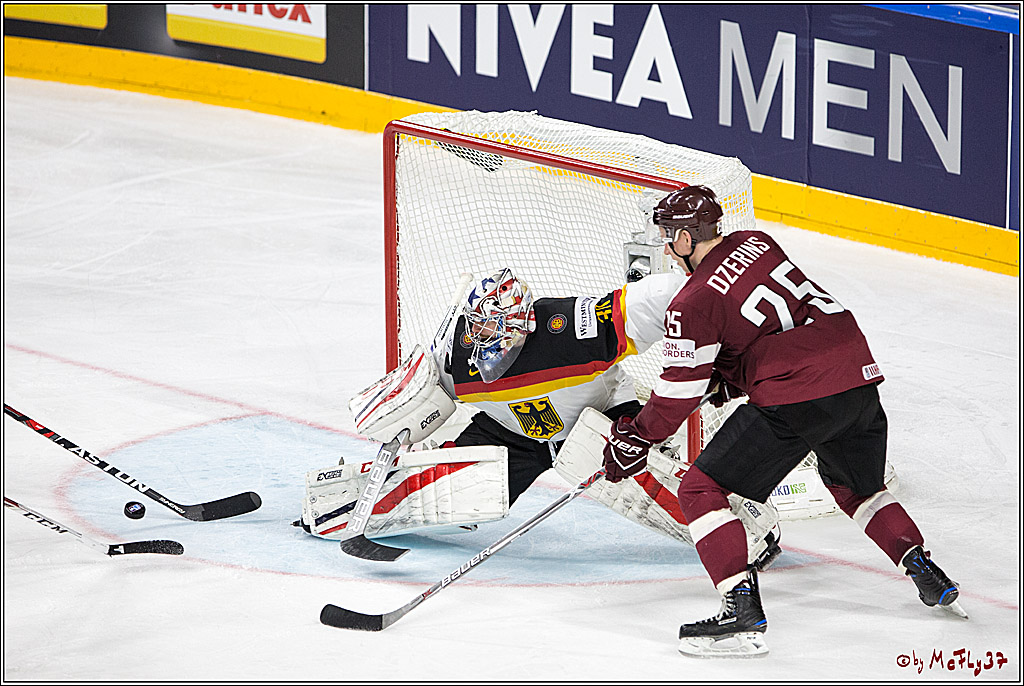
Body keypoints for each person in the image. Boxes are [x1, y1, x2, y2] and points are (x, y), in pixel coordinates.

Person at [601, 185, 965, 658]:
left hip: (797, 395)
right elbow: (770, 326)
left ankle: (739, 609)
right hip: (856, 377)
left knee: (698, 490)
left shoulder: (690, 302)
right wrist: (728, 378)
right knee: (858, 487)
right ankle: (925, 571)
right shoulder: (758, 242)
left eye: (670, 237)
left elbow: (678, 391)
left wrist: (636, 436)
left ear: (688, 240)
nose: (667, 248)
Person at [301, 266, 781, 567]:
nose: (488, 339)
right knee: (450, 493)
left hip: (598, 419)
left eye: (499, 328)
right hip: (512, 435)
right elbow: (418, 398)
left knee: (651, 485)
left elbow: (661, 297)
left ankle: (750, 534)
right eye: (480, 327)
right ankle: (332, 502)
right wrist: (400, 415)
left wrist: (715, 306)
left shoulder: (572, 328)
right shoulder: (455, 354)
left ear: (523, 323)